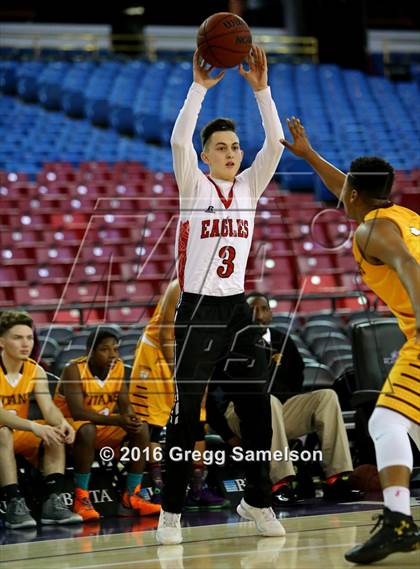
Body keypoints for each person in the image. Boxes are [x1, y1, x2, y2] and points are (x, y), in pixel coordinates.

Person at [156, 45, 285, 545]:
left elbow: (274, 143)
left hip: (236, 308)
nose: (232, 152)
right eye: (222, 147)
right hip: (197, 309)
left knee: (257, 408)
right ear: (206, 156)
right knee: (188, 415)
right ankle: (171, 512)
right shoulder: (194, 186)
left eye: (235, 146)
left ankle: (257, 498)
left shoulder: (251, 186)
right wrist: (199, 90)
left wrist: (261, 90)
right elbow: (178, 138)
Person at [281, 117, 420, 564]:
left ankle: (399, 520)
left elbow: (407, 268)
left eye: (347, 192)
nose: (340, 197)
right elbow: (350, 186)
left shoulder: (370, 230)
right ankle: (398, 518)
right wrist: (309, 157)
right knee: (407, 426)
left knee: (385, 423)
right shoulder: (404, 216)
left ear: (356, 196)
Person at [207, 292, 357, 506]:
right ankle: (279, 484)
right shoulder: (229, 344)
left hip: (278, 411)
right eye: (251, 309)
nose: (258, 314)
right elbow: (210, 396)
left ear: (271, 313)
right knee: (268, 401)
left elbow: (296, 379)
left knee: (327, 396)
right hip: (238, 414)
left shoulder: (283, 341)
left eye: (263, 308)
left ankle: (335, 480)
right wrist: (228, 435)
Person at [129, 279, 228, 510]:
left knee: (198, 420)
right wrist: (179, 376)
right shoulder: (180, 285)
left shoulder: (222, 290)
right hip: (158, 354)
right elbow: (166, 335)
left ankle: (196, 488)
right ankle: (158, 489)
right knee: (155, 423)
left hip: (190, 354)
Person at [54, 329, 161, 521]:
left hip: (103, 426)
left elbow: (125, 405)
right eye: (105, 349)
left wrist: (131, 418)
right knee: (87, 429)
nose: (112, 354)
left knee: (142, 428)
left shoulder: (117, 367)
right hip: (68, 428)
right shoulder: (74, 369)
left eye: (116, 349)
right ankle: (81, 498)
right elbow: (78, 413)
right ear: (90, 351)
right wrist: (118, 420)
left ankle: (131, 496)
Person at [0, 310, 82, 528]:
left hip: (19, 434)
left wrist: (62, 423)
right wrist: (34, 427)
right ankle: (13, 503)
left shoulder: (35, 370)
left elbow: (48, 407)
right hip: (3, 434)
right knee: (3, 431)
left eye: (29, 338)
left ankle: (52, 503)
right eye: (17, 338)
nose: (25, 344)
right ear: (1, 341)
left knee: (53, 431)